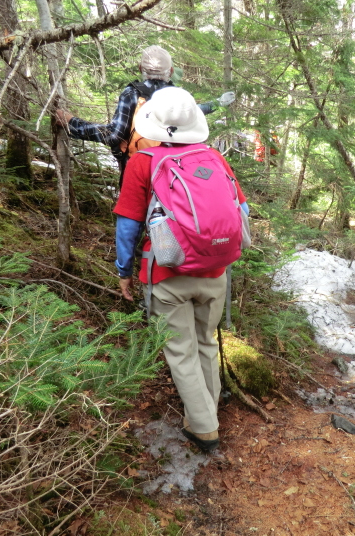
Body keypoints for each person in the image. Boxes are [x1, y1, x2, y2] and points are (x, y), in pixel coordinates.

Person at [113, 86, 247, 454]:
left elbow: (128, 225)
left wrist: (124, 271)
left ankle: (204, 428)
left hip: (167, 273)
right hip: (215, 273)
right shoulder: (214, 158)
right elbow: (242, 212)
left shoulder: (143, 161)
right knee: (206, 343)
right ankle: (207, 413)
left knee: (181, 351)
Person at [54, 45, 235, 182]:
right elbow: (195, 111)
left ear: (140, 68)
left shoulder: (131, 94)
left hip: (137, 170)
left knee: (134, 216)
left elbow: (113, 135)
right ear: (171, 71)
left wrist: (72, 122)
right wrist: (217, 103)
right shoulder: (178, 96)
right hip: (173, 173)